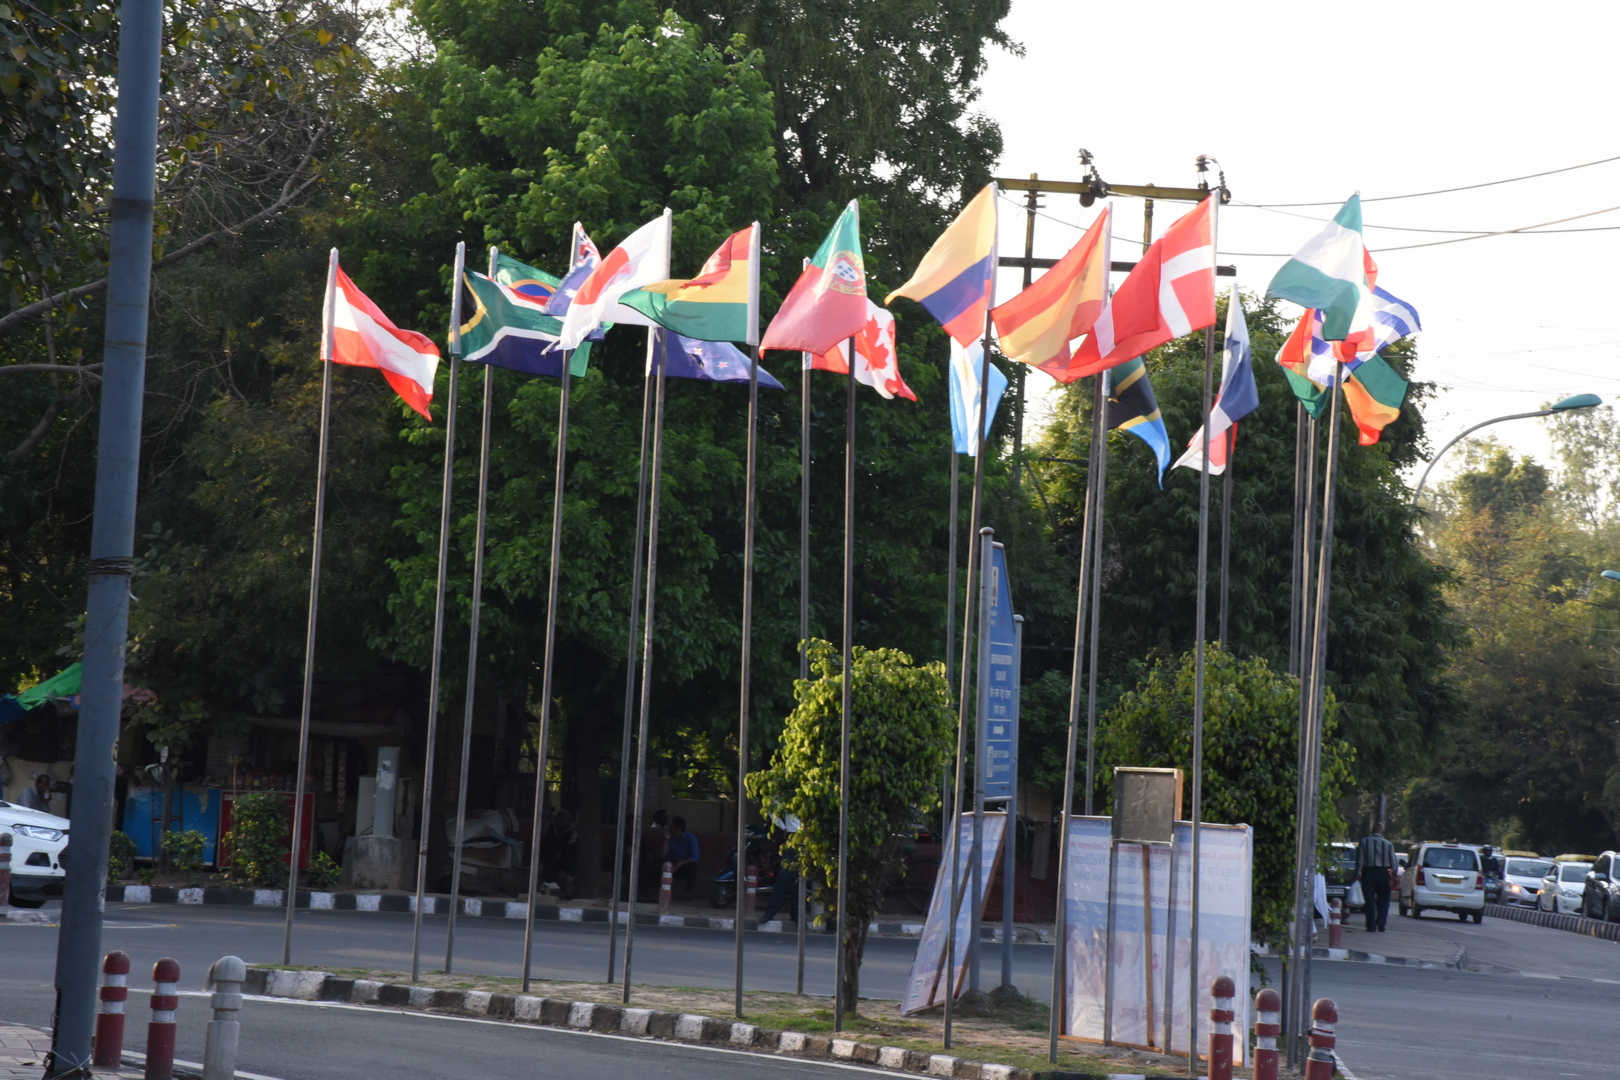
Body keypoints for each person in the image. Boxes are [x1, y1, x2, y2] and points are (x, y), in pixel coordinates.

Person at [1355, 822, 1397, 932]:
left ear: (1372, 830)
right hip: (1383, 873)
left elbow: (1360, 859)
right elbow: (1393, 862)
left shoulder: (1364, 841)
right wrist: (1395, 875)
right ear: (1382, 831)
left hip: (1368, 872)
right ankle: (1381, 924)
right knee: (1384, 899)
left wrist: (1358, 872)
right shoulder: (1388, 844)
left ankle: (1371, 925)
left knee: (1369, 900)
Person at [666, 815, 700, 898]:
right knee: (659, 863)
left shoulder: (690, 838)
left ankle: (688, 893)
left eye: (672, 827)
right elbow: (663, 855)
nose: (670, 829)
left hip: (685, 864)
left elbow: (695, 857)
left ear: (678, 828)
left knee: (693, 867)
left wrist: (680, 864)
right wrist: (666, 839)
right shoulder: (671, 838)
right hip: (673, 862)